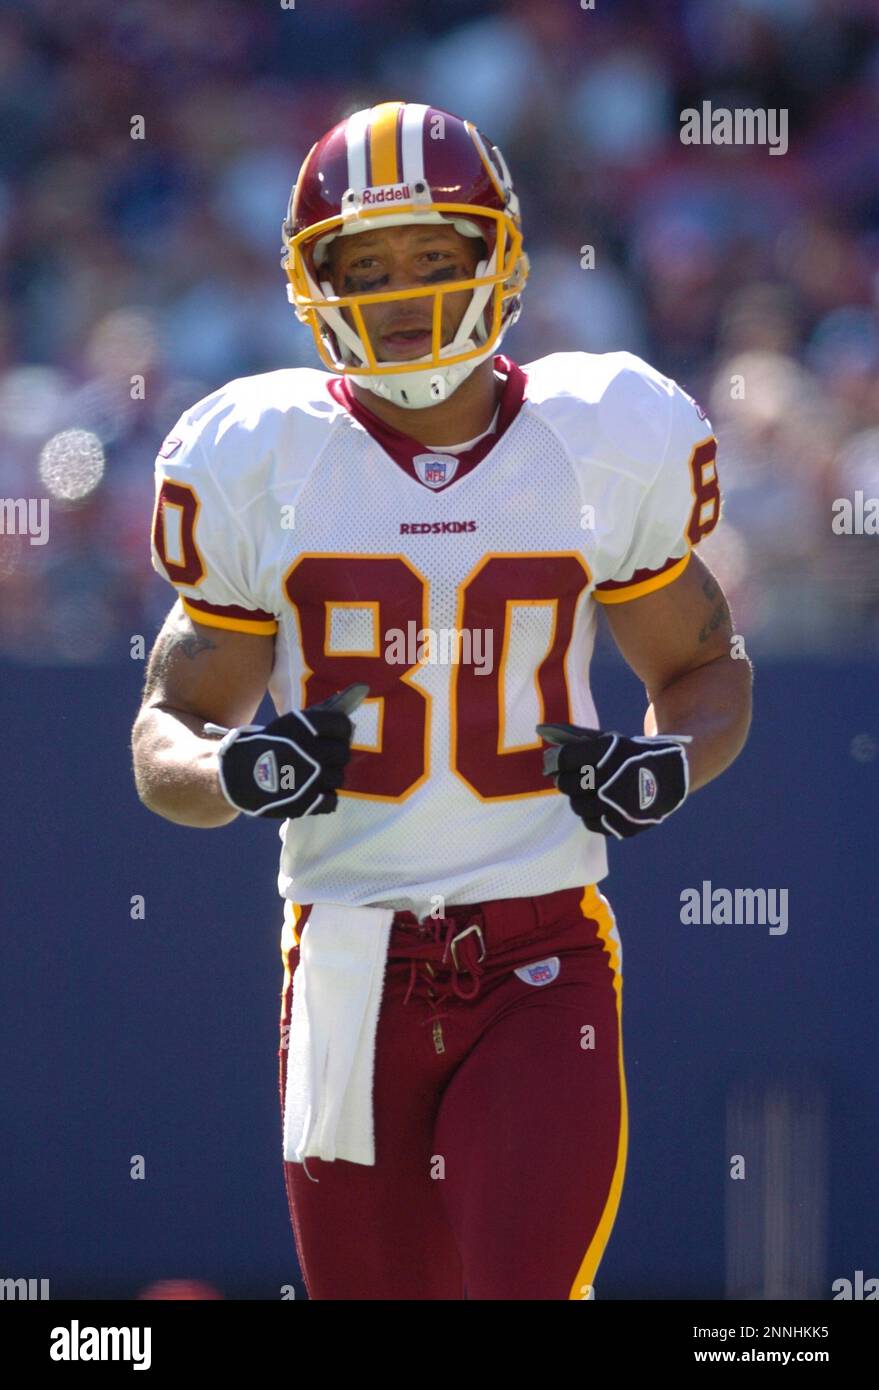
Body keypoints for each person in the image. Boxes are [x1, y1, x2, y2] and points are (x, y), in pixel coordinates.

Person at [132, 100, 752, 1300]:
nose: (400, 288)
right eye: (364, 263)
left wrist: (667, 761)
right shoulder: (257, 455)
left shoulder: (601, 433)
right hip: (346, 960)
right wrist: (233, 772)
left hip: (541, 951)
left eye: (432, 254)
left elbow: (706, 669)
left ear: (496, 257)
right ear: (315, 281)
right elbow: (167, 729)